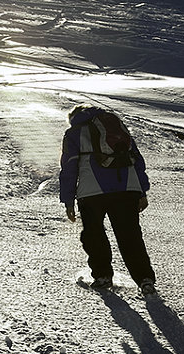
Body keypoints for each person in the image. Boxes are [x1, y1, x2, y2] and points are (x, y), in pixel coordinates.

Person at [59, 104, 157, 295]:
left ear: (74, 117)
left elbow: (69, 168)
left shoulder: (74, 133)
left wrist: (68, 200)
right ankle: (144, 279)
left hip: (91, 191)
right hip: (126, 188)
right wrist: (142, 191)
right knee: (130, 235)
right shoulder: (116, 126)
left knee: (94, 234)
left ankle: (103, 276)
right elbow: (136, 159)